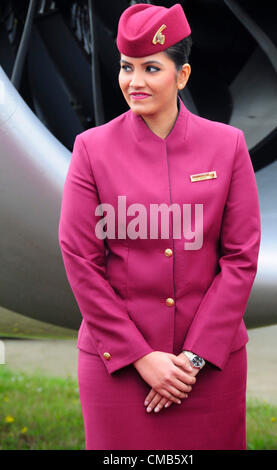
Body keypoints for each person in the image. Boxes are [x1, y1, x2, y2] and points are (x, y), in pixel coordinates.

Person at [58, 3, 261, 450]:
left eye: (151, 68)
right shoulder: (91, 150)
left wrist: (193, 358)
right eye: (126, 68)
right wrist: (141, 357)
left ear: (182, 75)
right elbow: (80, 260)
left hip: (208, 370)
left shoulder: (227, 147)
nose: (135, 82)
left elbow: (241, 257)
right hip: (118, 369)